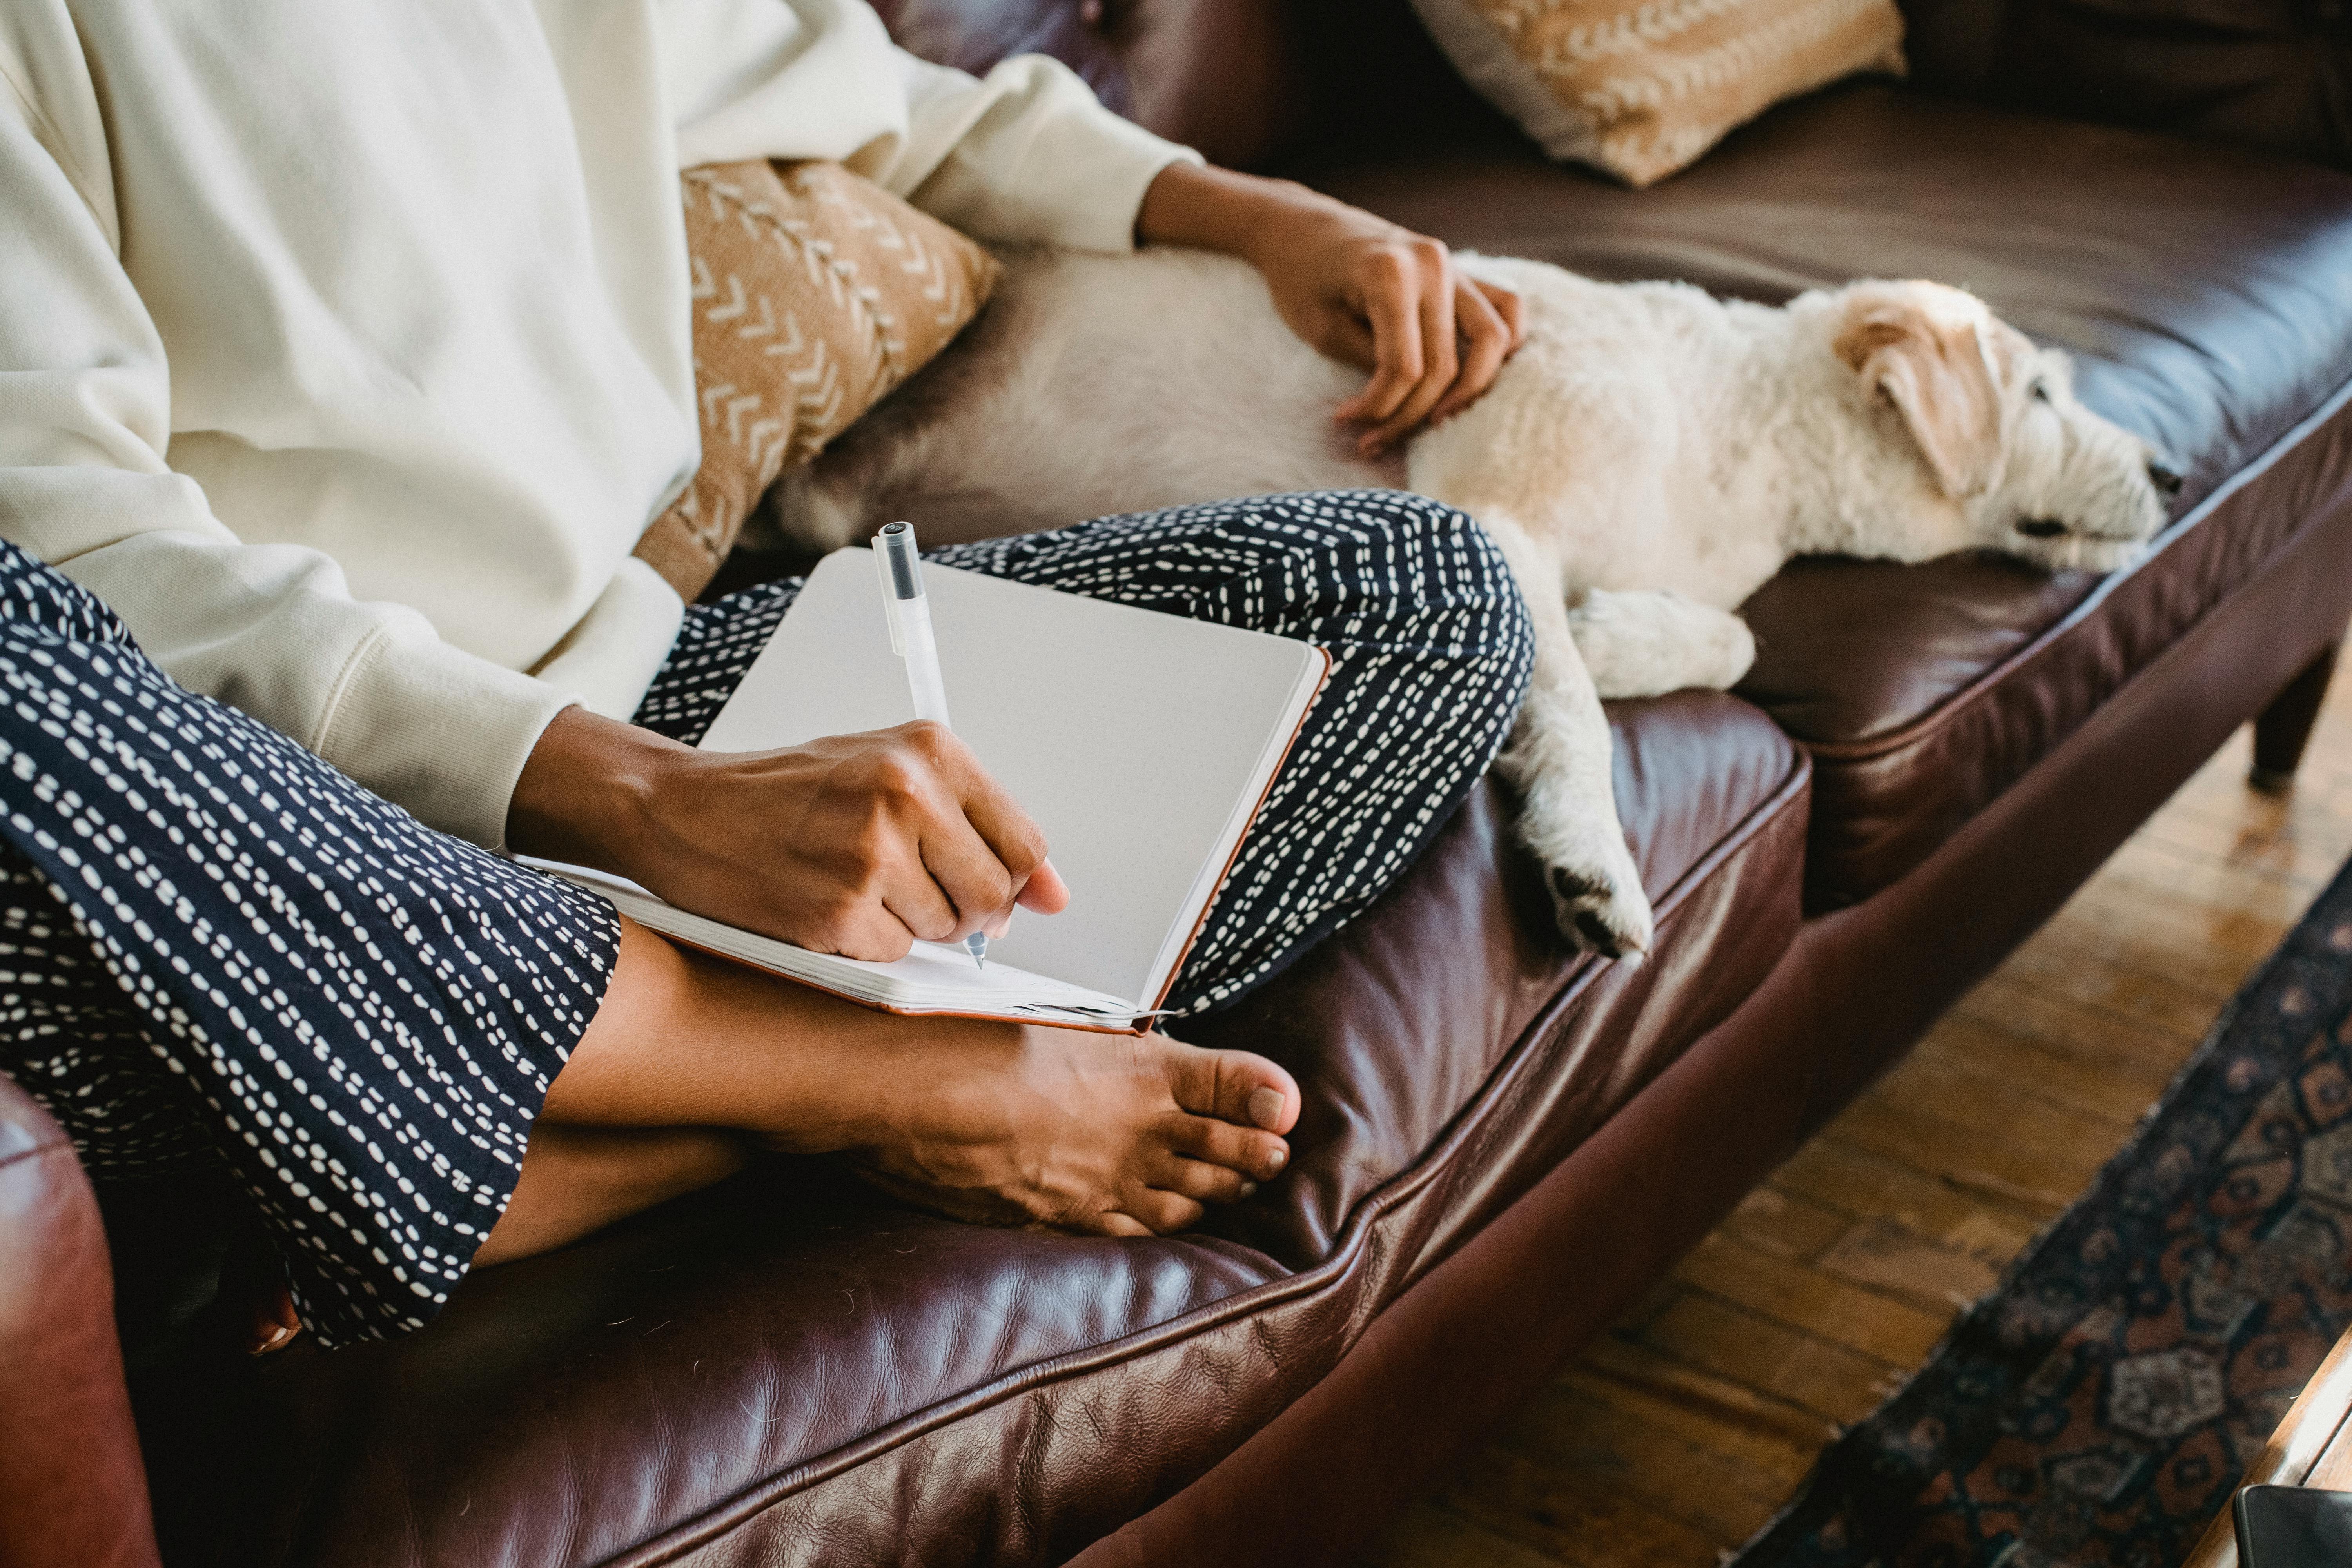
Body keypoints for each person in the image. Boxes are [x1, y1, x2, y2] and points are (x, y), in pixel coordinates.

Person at [0, 0, 1534, 1349]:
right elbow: (72, 556)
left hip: (651, 694)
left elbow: (865, 94)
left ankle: (601, 1118)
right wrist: (642, 803)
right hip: (295, 823)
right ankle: (871, 1081)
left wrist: (1239, 210)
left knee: (1426, 600)